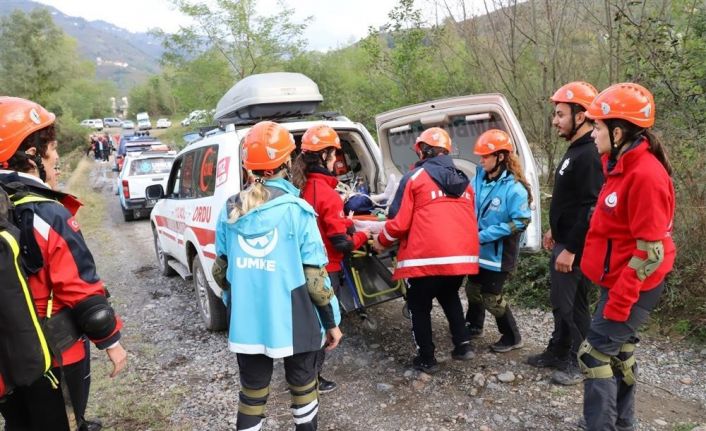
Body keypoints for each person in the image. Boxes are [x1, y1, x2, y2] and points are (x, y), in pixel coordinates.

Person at [0, 96, 127, 431]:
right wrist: (111, 341)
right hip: (55, 357)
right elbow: (81, 292)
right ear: (30, 155)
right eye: (51, 148)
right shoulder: (45, 213)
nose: (56, 157)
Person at [215, 120, 343, 431]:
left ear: (248, 166)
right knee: (303, 390)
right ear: (287, 162)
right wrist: (331, 322)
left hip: (245, 320)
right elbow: (315, 280)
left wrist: (237, 298)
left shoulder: (231, 209)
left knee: (252, 393)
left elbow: (222, 271)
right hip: (295, 321)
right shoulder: (297, 211)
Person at [577, 83, 675, 431]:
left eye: (598, 127)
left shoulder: (645, 174)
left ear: (617, 132)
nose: (592, 134)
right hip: (619, 278)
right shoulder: (619, 164)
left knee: (593, 355)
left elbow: (650, 252)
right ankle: (622, 420)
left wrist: (619, 302)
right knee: (620, 353)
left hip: (633, 284)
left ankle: (602, 425)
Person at [373, 127, 478, 374]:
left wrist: (381, 240)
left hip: (425, 257)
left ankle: (426, 358)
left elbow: (397, 221)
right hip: (460, 258)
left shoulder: (415, 178)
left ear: (423, 150)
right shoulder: (464, 182)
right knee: (450, 295)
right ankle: (463, 345)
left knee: (419, 306)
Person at [527, 81, 603, 386]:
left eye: (560, 114)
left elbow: (591, 206)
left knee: (573, 306)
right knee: (561, 302)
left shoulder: (589, 155)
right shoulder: (575, 150)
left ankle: (578, 359)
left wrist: (571, 247)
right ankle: (558, 350)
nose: (555, 120)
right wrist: (553, 229)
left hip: (576, 247)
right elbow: (570, 200)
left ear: (581, 116)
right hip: (564, 241)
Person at [291, 124, 370, 394]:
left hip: (299, 268)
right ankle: (312, 379)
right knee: (325, 325)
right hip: (326, 269)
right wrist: (363, 236)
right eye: (334, 154)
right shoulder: (326, 193)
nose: (336, 159)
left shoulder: (299, 188)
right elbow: (341, 244)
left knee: (308, 322)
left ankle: (305, 375)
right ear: (324, 155)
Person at [464, 129, 531, 353]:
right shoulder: (477, 180)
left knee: (492, 298)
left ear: (500, 157)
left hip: (499, 254)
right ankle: (474, 326)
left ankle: (512, 337)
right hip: (477, 250)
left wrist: (483, 235)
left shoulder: (515, 189)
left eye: (485, 156)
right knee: (472, 290)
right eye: (480, 156)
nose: (481, 160)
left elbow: (520, 222)